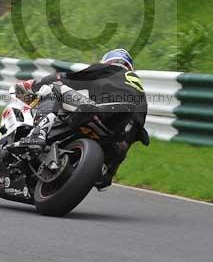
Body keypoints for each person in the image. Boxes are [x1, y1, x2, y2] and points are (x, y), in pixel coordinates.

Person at [15, 48, 149, 190]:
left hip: (100, 113)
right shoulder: (140, 91)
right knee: (121, 144)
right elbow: (138, 131)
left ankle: (38, 134)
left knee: (55, 89)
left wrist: (32, 86)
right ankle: (105, 171)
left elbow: (66, 79)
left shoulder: (110, 69)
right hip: (117, 135)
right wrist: (110, 170)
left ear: (109, 61)